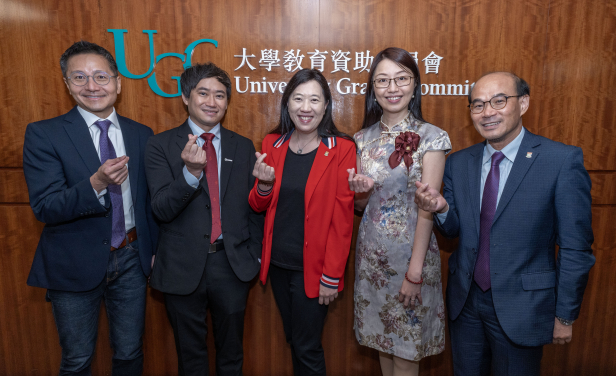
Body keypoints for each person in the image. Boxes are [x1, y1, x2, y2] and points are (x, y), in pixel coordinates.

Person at [415, 72, 595, 375]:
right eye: (478, 105)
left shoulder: (559, 161)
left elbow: (576, 248)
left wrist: (564, 316)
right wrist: (441, 209)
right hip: (466, 304)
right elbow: (453, 232)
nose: (488, 112)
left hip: (523, 308)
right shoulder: (459, 163)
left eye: (499, 101)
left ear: (522, 103)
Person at [22, 40, 158, 375]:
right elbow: (46, 207)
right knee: (77, 359)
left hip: (130, 258)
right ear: (67, 85)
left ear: (118, 82)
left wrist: (153, 250)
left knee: (129, 353)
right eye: (80, 78)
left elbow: (148, 203)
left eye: (101, 76)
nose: (92, 86)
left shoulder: (142, 134)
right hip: (73, 260)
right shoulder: (44, 134)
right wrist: (95, 183)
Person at [145, 62, 263, 376]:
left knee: (231, 354)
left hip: (232, 264)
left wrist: (256, 256)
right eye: (204, 93)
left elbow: (253, 208)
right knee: (191, 357)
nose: (212, 102)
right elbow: (161, 209)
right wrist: (190, 173)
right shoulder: (160, 145)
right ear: (186, 97)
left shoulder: (242, 146)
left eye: (220, 95)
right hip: (181, 267)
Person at [348, 47, 451, 376]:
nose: (392, 88)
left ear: (414, 83)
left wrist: (414, 273)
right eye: (383, 80)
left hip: (411, 258)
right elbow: (365, 207)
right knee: (383, 343)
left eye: (401, 79)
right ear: (373, 89)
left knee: (407, 349)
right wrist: (359, 193)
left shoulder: (431, 138)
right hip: (372, 263)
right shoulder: (362, 139)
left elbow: (428, 209)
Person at [248, 68, 356, 376]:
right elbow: (257, 205)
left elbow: (343, 220)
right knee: (295, 341)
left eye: (314, 99)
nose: (305, 107)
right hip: (279, 265)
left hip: (315, 270)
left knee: (308, 348)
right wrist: (264, 186)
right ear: (287, 103)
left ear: (325, 106)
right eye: (298, 98)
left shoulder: (342, 149)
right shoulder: (272, 144)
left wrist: (331, 277)